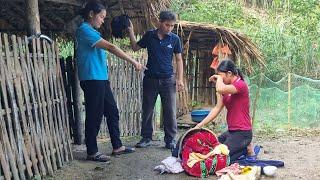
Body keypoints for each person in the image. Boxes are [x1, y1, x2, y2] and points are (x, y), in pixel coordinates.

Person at [76, 1, 145, 162]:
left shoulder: (92, 31)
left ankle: (117, 146)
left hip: (100, 79)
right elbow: (112, 48)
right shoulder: (84, 30)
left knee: (112, 111)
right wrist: (133, 61)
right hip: (92, 79)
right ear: (91, 14)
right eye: (101, 17)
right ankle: (92, 152)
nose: (102, 20)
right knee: (94, 115)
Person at [127, 11, 184, 149]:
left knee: (170, 111)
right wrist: (131, 32)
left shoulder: (174, 39)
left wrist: (180, 79)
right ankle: (146, 138)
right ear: (160, 22)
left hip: (168, 80)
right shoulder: (149, 35)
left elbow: (178, 59)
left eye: (171, 26)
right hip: (150, 79)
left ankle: (170, 140)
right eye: (167, 25)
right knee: (147, 109)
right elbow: (135, 47)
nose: (169, 28)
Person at [194, 59, 253, 162]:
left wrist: (219, 79)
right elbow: (217, 108)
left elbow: (220, 89)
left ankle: (244, 148)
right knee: (211, 149)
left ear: (229, 73)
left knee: (219, 159)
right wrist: (200, 125)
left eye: (222, 76)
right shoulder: (226, 89)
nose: (220, 79)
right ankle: (241, 149)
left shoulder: (240, 85)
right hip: (231, 132)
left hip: (243, 133)